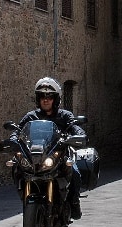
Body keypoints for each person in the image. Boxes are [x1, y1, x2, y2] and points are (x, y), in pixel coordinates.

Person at [18, 77, 85, 219]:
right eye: (42, 96)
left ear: (56, 99)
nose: (45, 100)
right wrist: (13, 139)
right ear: (38, 99)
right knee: (17, 168)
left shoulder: (64, 115)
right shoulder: (31, 116)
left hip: (58, 156)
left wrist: (79, 135)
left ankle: (74, 202)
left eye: (49, 96)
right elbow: (18, 131)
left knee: (75, 172)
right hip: (36, 157)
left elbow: (74, 127)